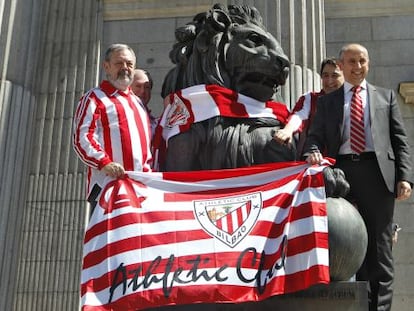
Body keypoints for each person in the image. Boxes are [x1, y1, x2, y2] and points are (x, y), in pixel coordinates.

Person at [304, 43, 412, 311]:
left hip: (378, 177)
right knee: (351, 249)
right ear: (341, 65)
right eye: (351, 61)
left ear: (368, 63)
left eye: (362, 61)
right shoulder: (329, 102)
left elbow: (400, 142)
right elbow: (314, 138)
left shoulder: (385, 98)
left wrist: (405, 177)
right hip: (343, 178)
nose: (358, 66)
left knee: (381, 251)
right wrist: (313, 151)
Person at [73, 43, 152, 208]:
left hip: (141, 190)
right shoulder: (94, 98)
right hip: (107, 188)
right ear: (106, 67)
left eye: (129, 64)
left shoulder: (138, 103)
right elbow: (82, 138)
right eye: (119, 63)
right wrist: (105, 163)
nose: (125, 68)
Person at [273, 57, 344, 157]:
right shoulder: (310, 98)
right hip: (314, 161)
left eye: (335, 75)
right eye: (325, 76)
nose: (329, 81)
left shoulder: (353, 100)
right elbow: (298, 116)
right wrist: (287, 130)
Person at [131, 68, 159, 132]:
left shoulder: (154, 123)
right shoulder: (120, 115)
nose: (143, 91)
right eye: (138, 86)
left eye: (147, 87)